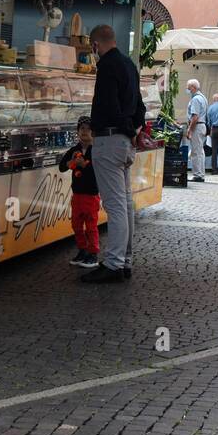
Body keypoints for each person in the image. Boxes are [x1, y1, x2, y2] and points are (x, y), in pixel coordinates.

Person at [83, 24, 146, 284]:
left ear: (96, 45)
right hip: (125, 144)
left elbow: (109, 106)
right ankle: (125, 260)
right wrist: (134, 131)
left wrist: (126, 128)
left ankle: (114, 264)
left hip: (110, 141)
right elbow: (140, 105)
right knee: (126, 205)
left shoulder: (107, 66)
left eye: (92, 48)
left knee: (116, 206)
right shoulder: (129, 65)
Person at [59, 116, 100, 269]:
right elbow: (62, 166)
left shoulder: (96, 150)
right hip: (77, 195)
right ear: (77, 132)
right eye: (82, 129)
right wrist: (71, 163)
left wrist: (85, 166)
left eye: (88, 129)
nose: (85, 132)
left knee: (91, 226)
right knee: (76, 225)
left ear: (93, 133)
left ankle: (93, 253)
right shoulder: (73, 150)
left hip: (91, 194)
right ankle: (82, 250)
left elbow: (99, 169)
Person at [184, 78, 209, 183]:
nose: (187, 89)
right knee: (200, 152)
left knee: (195, 152)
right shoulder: (203, 98)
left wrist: (189, 130)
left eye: (188, 87)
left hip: (197, 127)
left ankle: (197, 175)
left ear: (193, 88)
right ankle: (201, 174)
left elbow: (195, 117)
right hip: (201, 126)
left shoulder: (195, 99)